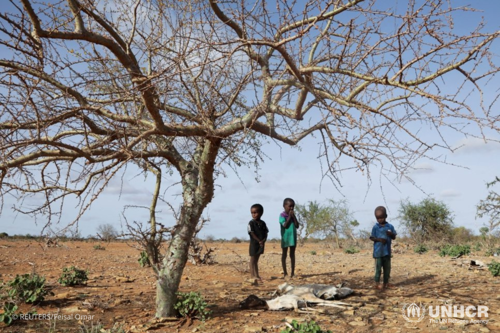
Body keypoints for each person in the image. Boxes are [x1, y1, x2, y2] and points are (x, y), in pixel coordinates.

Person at [369, 206, 397, 290]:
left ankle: (386, 283)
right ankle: (376, 283)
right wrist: (379, 239)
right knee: (378, 269)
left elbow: (394, 236)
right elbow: (372, 237)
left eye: (381, 217)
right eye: (377, 218)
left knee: (387, 269)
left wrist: (391, 234)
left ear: (386, 216)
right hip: (378, 252)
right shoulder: (375, 227)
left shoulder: (390, 226)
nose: (379, 220)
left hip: (387, 252)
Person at [279, 198, 299, 279]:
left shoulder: (293, 216)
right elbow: (285, 225)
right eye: (290, 206)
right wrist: (290, 217)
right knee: (284, 254)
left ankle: (292, 273)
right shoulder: (282, 216)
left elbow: (297, 225)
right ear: (284, 206)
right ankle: (285, 273)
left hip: (293, 238)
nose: (291, 208)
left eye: (293, 206)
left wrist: (293, 217)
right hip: (285, 238)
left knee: (292, 255)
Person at [248, 203, 268, 281]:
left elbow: (266, 233)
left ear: (261, 213)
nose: (253, 214)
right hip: (254, 244)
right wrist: (259, 240)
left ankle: (257, 275)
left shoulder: (263, 223)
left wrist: (263, 240)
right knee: (252, 260)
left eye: (255, 213)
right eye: (252, 213)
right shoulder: (251, 223)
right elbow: (251, 233)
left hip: (261, 244)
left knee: (256, 260)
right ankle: (252, 275)